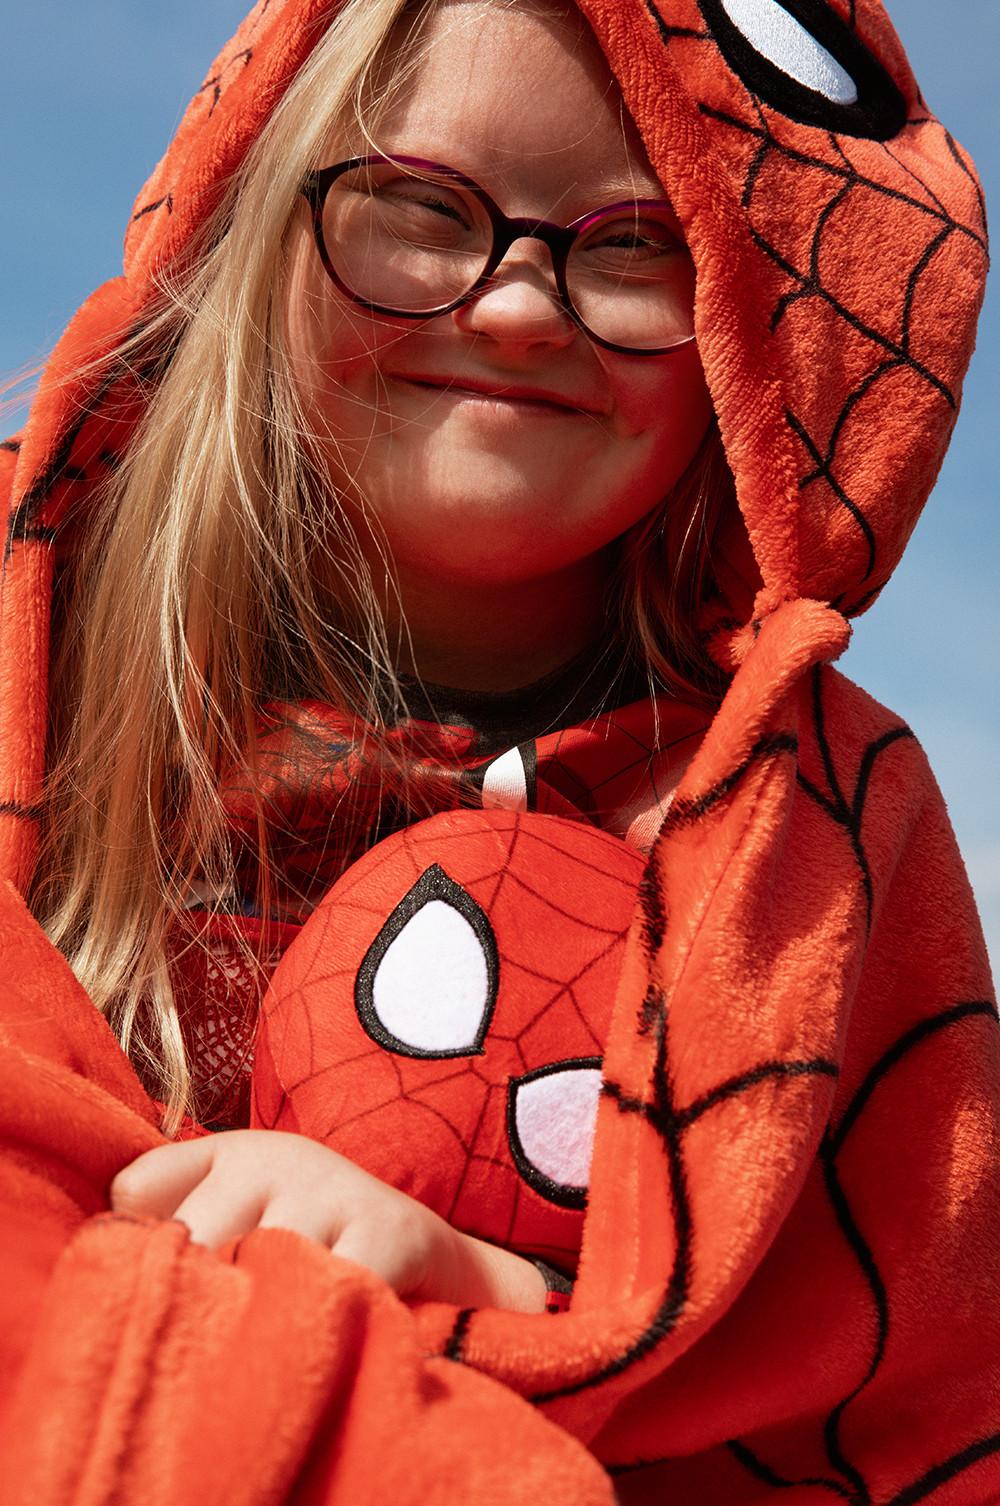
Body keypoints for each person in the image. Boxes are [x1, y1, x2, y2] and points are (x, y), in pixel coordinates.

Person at [0, 0, 996, 1502]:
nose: (522, 306)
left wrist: (493, 1295)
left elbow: (895, 1380)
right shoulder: (53, 659)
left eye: (632, 244)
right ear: (265, 204)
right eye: (418, 206)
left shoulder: (809, 841)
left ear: (752, 300)